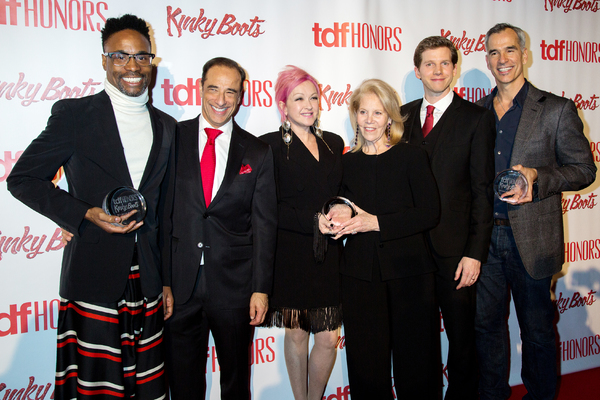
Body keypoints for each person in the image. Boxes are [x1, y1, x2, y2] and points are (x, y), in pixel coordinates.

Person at [7, 14, 176, 399]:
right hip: (93, 277)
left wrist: (165, 280)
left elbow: (164, 212)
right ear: (104, 60)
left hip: (146, 278)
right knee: (95, 389)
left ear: (152, 61)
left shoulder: (166, 126)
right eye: (121, 56)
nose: (132, 67)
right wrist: (82, 213)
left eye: (142, 57)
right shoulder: (74, 116)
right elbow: (22, 179)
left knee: (146, 389)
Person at [475, 23, 596, 400]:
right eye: (494, 52)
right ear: (487, 60)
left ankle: (541, 395)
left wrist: (537, 179)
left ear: (524, 55)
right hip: (484, 240)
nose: (502, 60)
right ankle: (493, 394)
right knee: (486, 327)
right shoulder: (476, 112)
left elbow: (585, 170)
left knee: (538, 330)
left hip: (533, 238)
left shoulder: (556, 109)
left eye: (510, 50)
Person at [161, 57, 277, 400]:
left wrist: (261, 289)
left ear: (241, 97)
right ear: (199, 88)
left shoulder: (257, 151)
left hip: (235, 286)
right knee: (182, 382)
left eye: (231, 91)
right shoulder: (172, 138)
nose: (221, 99)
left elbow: (265, 225)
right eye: (214, 88)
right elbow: (158, 211)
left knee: (236, 382)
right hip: (179, 286)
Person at [326, 79, 441, 399]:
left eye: (378, 112)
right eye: (363, 111)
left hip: (411, 274)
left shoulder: (412, 156)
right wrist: (337, 213)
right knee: (365, 365)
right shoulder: (346, 162)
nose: (370, 119)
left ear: (390, 117)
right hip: (360, 276)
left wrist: (377, 222)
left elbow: (429, 213)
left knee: (417, 364)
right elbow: (342, 205)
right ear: (355, 116)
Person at [401, 36, 496, 400]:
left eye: (445, 63)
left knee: (461, 339)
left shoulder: (477, 119)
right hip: (410, 253)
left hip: (456, 254)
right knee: (418, 338)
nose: (437, 71)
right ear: (417, 70)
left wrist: (475, 252)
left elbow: (482, 191)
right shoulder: (403, 116)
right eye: (429, 64)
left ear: (454, 69)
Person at [260, 66, 344, 400]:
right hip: (291, 253)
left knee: (328, 338)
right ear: (283, 104)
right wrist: (311, 219)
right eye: (298, 98)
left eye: (313, 97)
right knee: (296, 336)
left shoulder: (335, 143)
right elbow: (266, 208)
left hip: (329, 254)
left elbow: (342, 191)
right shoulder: (268, 146)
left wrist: (344, 210)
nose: (308, 104)